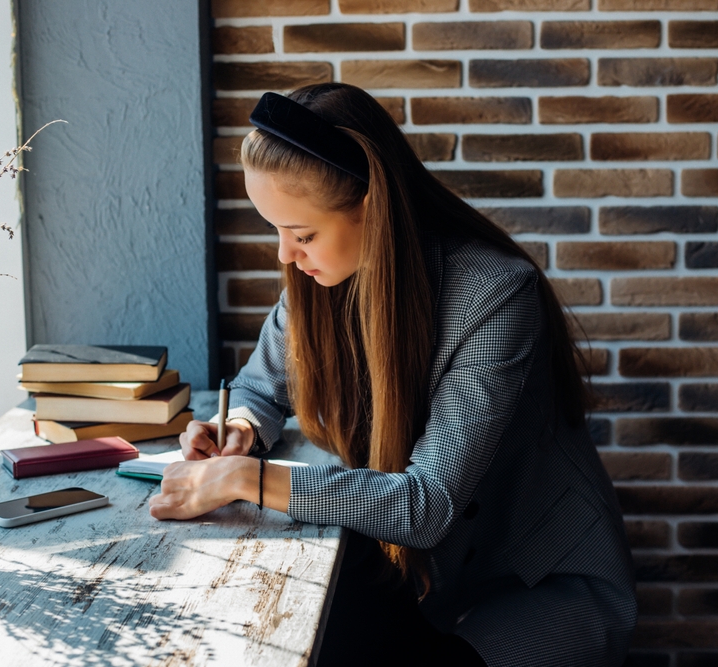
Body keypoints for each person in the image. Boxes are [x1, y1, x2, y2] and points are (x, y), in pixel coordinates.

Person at [149, 83, 636, 666]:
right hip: (423, 577)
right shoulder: (321, 280)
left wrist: (243, 479)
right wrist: (244, 429)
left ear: (371, 210)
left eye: (302, 235)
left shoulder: (497, 297)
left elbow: (425, 505)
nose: (284, 256)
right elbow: (260, 386)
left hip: (536, 590)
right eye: (274, 230)